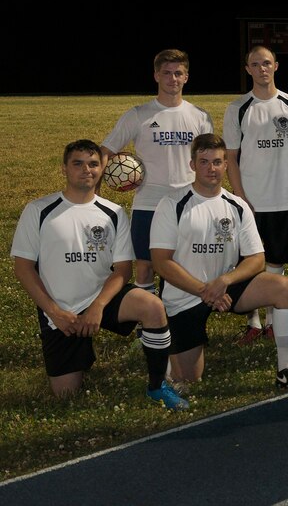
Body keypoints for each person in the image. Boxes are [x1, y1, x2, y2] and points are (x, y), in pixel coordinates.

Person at [11, 140, 188, 409]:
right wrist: (55, 313)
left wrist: (97, 307)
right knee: (65, 396)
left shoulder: (113, 213)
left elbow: (122, 270)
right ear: (64, 169)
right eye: (78, 163)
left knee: (152, 306)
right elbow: (23, 268)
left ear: (101, 169)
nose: (87, 170)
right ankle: (82, 352)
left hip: (101, 298)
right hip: (61, 310)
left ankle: (157, 385)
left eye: (93, 164)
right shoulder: (39, 210)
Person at [150, 134, 288, 391]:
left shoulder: (237, 205)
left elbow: (256, 259)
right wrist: (204, 290)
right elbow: (161, 262)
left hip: (225, 286)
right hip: (185, 295)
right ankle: (170, 354)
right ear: (192, 165)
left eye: (218, 162)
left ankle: (285, 369)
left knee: (285, 289)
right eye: (204, 162)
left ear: (226, 165)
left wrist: (225, 281)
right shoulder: (172, 204)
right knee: (188, 380)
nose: (212, 168)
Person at [100, 49, 214, 294]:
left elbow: (208, 159)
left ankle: (175, 315)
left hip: (187, 202)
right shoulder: (139, 114)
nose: (172, 78)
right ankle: (149, 323)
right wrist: (95, 191)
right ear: (156, 76)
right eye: (167, 73)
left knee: (184, 264)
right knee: (144, 266)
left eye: (178, 73)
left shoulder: (200, 117)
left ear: (186, 77)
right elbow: (105, 150)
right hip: (149, 201)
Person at [223, 46, 288, 346]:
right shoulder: (238, 108)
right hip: (251, 199)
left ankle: (272, 321)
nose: (261, 69)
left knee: (276, 259)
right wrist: (240, 197)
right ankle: (253, 322)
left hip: (283, 196)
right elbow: (231, 158)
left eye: (266, 63)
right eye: (255, 64)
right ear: (248, 69)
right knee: (248, 260)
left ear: (276, 66)